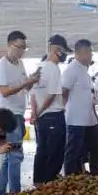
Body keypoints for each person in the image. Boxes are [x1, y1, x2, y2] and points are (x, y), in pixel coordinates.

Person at [0, 31, 39, 195]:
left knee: (9, 157)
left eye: (24, 48)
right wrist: (26, 82)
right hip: (8, 115)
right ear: (9, 45)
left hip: (18, 113)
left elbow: (25, 87)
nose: (21, 51)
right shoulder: (1, 65)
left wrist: (31, 81)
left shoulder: (20, 63)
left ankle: (0, 194)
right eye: (19, 47)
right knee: (15, 156)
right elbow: (4, 91)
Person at [62, 39, 98, 176]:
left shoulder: (85, 71)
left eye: (91, 52)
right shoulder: (71, 69)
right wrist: (63, 112)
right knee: (74, 151)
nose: (91, 55)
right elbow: (63, 92)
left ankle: (94, 174)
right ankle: (70, 178)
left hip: (90, 119)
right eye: (89, 52)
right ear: (80, 53)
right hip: (76, 120)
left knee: (96, 146)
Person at [33, 35, 69, 184]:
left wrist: (35, 114)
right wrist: (39, 112)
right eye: (64, 51)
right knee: (55, 152)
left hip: (42, 118)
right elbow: (52, 95)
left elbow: (33, 94)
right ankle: (49, 182)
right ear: (57, 50)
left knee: (42, 149)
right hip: (53, 115)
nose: (64, 55)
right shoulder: (53, 68)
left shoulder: (39, 67)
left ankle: (38, 181)